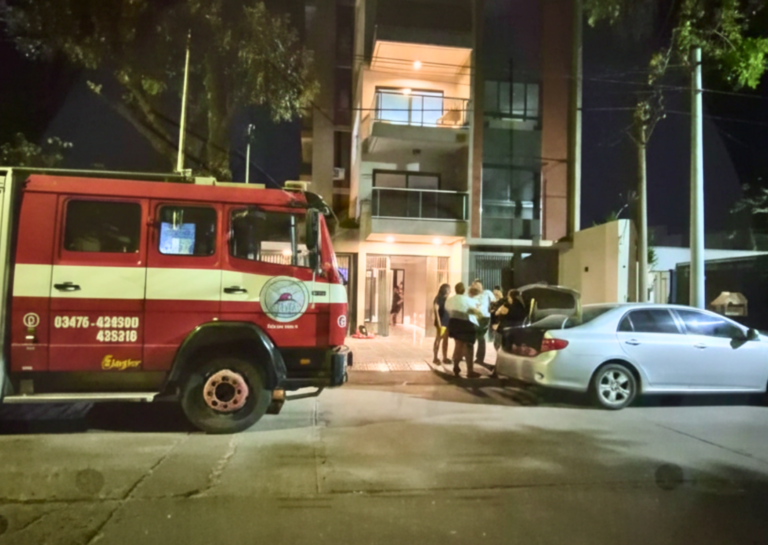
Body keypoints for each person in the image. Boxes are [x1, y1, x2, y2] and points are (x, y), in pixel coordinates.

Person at [446, 282, 482, 377]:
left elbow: (447, 310)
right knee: (469, 346)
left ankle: (456, 366)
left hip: (453, 323)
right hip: (465, 324)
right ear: (464, 290)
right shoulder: (467, 300)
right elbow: (475, 310)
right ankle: (470, 371)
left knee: (458, 345)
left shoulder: (450, 300)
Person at [471, 279, 497, 365]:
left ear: (482, 286)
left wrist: (492, 310)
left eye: (478, 285)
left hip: (484, 318)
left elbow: (494, 302)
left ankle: (480, 358)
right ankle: (467, 355)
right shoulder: (472, 294)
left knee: (481, 338)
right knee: (472, 338)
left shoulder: (487, 293)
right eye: (475, 285)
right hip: (474, 318)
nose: (477, 287)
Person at [432, 283, 452, 364]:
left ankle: (445, 357)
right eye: (449, 290)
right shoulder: (438, 299)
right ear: (446, 291)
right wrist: (439, 325)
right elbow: (436, 312)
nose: (450, 291)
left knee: (445, 340)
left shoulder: (446, 299)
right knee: (438, 339)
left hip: (446, 321)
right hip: (441, 322)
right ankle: (435, 358)